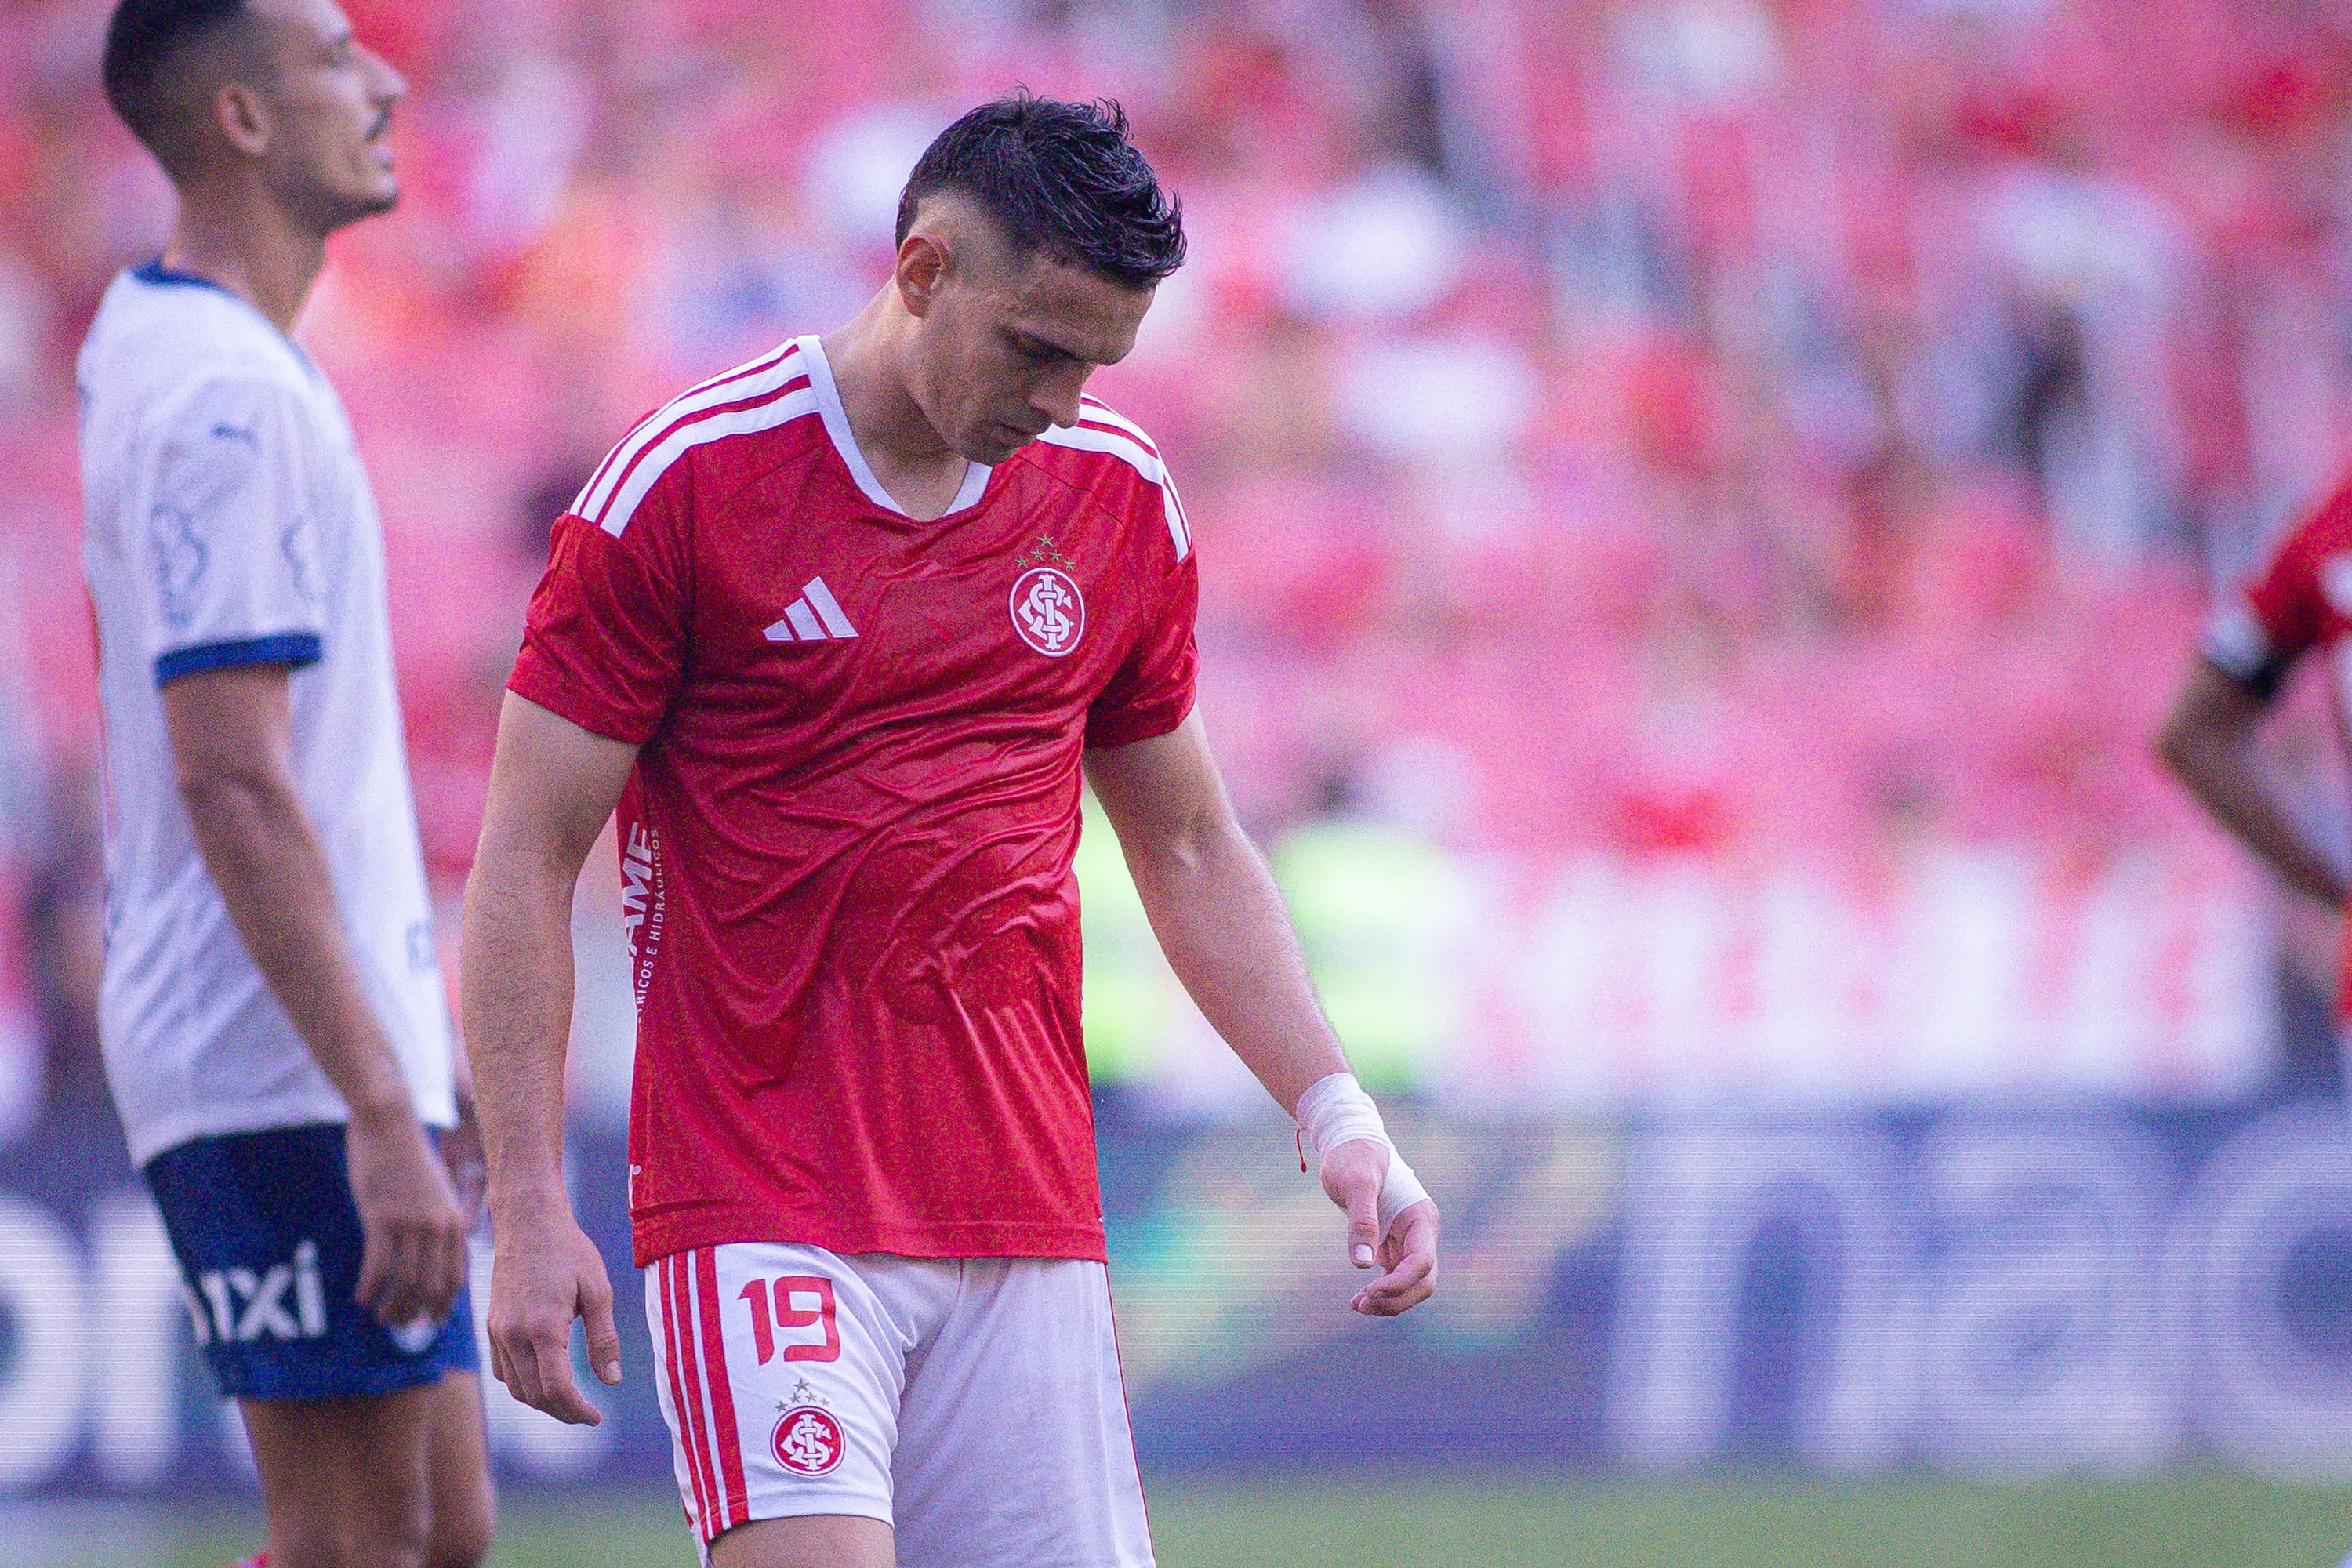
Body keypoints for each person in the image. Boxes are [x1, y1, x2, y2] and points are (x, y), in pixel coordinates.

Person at [463, 94, 1441, 1568]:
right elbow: (527, 856)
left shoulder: (1115, 497)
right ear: (921, 272)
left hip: (1027, 1209)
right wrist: (529, 1206)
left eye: (1098, 364)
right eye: (1037, 351)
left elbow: (1184, 844)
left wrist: (1337, 1114)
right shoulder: (686, 488)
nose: (1060, 402)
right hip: (764, 1200)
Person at [77, 4, 493, 1565]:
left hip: (324, 1053)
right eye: (333, 57)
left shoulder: (199, 353)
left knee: (441, 1530)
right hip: (272, 1064)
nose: (382, 78)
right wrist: (380, 1107)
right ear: (243, 118)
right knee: (362, 1547)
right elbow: (234, 784)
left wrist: (409, 1071)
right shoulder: (225, 398)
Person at [2160, 482, 2352, 1048]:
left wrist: (2337, 892)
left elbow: (2192, 735)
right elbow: (2192, 738)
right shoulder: (2327, 534)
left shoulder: (2329, 528)